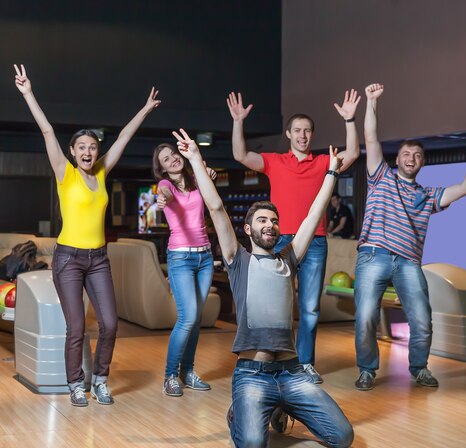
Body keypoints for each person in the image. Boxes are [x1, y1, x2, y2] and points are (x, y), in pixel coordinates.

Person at [173, 128, 353, 448]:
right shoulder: (238, 261)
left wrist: (330, 172)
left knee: (342, 437)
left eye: (273, 221)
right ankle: (241, 413)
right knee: (254, 444)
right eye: (262, 221)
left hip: (292, 373)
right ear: (247, 229)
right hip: (252, 375)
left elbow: (313, 214)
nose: (269, 225)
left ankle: (280, 407)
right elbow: (215, 208)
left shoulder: (290, 259)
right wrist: (196, 160)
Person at [14, 64, 160, 406]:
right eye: (81, 146)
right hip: (68, 259)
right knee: (76, 329)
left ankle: (101, 378)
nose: (87, 151)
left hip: (98, 259)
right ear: (72, 152)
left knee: (110, 324)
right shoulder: (65, 173)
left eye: (92, 146)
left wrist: (144, 109)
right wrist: (28, 93)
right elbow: (48, 132)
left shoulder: (103, 171)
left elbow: (124, 136)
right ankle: (76, 383)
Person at [354, 83, 466, 390]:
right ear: (397, 159)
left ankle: (419, 368)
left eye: (416, 154)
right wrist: (372, 102)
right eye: (405, 153)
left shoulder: (429, 196)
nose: (411, 157)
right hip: (373, 254)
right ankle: (367, 370)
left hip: (409, 263)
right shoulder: (380, 177)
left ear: (422, 162)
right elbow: (371, 137)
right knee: (364, 317)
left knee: (423, 319)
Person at [227, 90, 361, 383]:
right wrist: (239, 122)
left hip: (315, 241)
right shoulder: (275, 161)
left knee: (310, 308)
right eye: (297, 130)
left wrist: (350, 120)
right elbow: (240, 155)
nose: (302, 135)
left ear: (312, 135)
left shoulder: (323, 162)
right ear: (288, 133)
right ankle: (279, 360)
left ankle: (305, 364)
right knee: (280, 306)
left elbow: (351, 155)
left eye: (307, 131)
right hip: (280, 241)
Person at [152, 143, 217, 397]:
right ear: (163, 168)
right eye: (166, 159)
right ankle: (170, 375)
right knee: (187, 317)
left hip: (205, 257)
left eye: (174, 155)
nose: (172, 160)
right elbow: (165, 194)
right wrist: (162, 199)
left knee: (197, 319)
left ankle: (187, 372)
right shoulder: (165, 186)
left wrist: (207, 174)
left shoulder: (196, 178)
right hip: (180, 257)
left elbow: (209, 187)